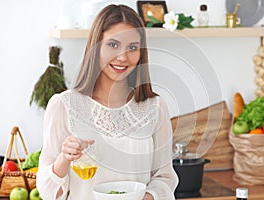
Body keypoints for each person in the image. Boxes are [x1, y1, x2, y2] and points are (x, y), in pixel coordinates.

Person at [37, 4, 178, 200]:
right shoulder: (64, 105)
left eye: (132, 48)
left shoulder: (154, 107)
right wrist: (64, 158)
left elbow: (165, 178)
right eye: (113, 45)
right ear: (96, 47)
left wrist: (144, 198)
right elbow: (47, 191)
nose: (122, 57)